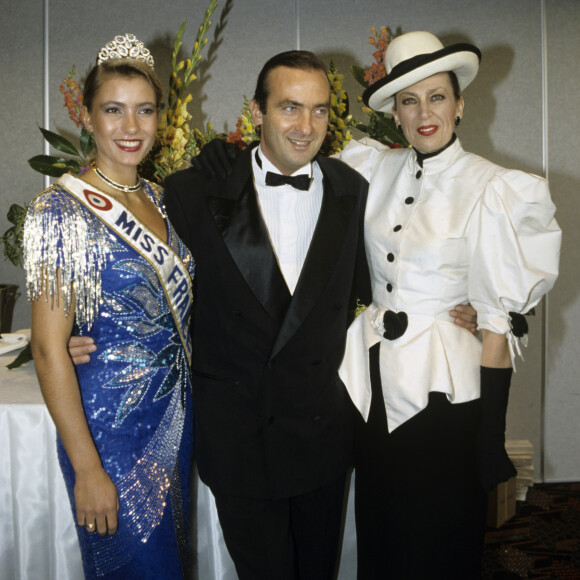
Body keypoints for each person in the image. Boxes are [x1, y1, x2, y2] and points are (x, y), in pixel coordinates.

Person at [68, 49, 478, 579]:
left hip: (322, 433)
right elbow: (137, 282)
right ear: (256, 113)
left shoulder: (354, 190)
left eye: (320, 110)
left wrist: (461, 305)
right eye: (289, 107)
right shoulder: (193, 191)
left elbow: (394, 269)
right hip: (240, 437)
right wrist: (75, 334)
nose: (306, 126)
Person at [335, 31, 561, 578]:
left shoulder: (494, 188)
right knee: (380, 535)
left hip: (443, 399)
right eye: (409, 101)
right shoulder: (370, 167)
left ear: (460, 104)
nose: (424, 112)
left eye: (436, 96)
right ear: (395, 112)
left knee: (437, 540)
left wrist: (490, 438)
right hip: (370, 389)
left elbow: (496, 324)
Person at [24, 34, 195, 579]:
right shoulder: (59, 211)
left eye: (144, 111)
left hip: (174, 420)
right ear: (89, 119)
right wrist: (87, 468)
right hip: (109, 430)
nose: (131, 127)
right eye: (113, 110)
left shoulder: (167, 200)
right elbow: (50, 349)